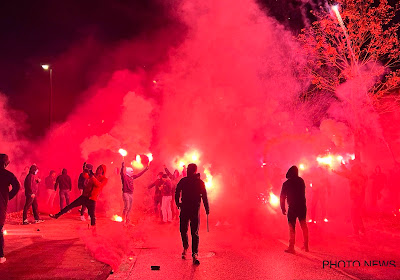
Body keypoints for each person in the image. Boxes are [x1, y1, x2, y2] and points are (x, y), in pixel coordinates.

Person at [175, 163, 209, 265]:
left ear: (191, 170)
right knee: (188, 231)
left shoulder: (193, 182)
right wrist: (178, 203)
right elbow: (177, 192)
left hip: (190, 209)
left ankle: (191, 251)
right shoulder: (190, 181)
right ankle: (190, 250)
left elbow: (204, 196)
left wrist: (178, 204)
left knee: (189, 231)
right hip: (189, 209)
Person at [333, 161, 367, 237]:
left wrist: (344, 168)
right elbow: (347, 175)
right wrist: (336, 171)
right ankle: (361, 231)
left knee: (354, 214)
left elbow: (350, 175)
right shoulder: (356, 176)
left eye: (354, 169)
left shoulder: (360, 177)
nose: (352, 170)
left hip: (358, 198)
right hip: (356, 197)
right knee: (356, 214)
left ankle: (357, 232)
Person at [280, 165, 309, 253]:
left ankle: (291, 247)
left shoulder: (286, 183)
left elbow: (282, 196)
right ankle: (306, 245)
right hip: (302, 206)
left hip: (292, 207)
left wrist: (283, 208)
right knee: (304, 225)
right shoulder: (301, 181)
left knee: (292, 227)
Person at [0, 154, 20, 264]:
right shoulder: (8, 174)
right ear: (5, 163)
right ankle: (0, 256)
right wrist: (8, 197)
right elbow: (17, 186)